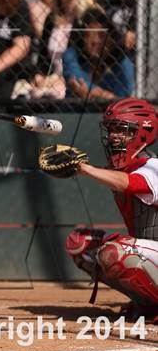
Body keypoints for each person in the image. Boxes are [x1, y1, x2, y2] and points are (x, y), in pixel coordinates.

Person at [65, 98, 158, 322]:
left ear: (143, 133)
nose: (115, 135)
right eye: (112, 129)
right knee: (80, 243)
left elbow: (129, 183)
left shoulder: (152, 166)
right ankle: (147, 304)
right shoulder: (122, 169)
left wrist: (83, 168)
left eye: (123, 130)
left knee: (115, 252)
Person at [32, 0, 102, 100]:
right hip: (53, 80)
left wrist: (62, 79)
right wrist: (40, 76)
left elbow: (91, 59)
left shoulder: (91, 16)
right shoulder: (52, 18)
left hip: (80, 78)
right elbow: (43, 59)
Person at [63, 8, 134, 100]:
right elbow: (79, 82)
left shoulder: (123, 63)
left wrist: (96, 95)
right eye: (89, 35)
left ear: (111, 39)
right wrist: (106, 97)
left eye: (101, 35)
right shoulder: (71, 55)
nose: (95, 41)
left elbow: (124, 96)